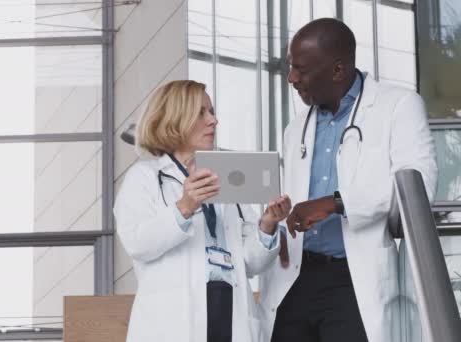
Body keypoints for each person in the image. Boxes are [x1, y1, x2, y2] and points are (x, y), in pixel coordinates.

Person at [256, 18, 438, 342]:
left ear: (338, 70)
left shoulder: (397, 106)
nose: (291, 78)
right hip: (296, 279)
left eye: (301, 69)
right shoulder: (295, 127)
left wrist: (335, 203)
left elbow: (417, 185)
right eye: (289, 67)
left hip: (352, 280)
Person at [114, 80, 291, 342]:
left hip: (229, 312)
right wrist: (184, 207)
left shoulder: (228, 177)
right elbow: (138, 243)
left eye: (212, 111)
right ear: (175, 119)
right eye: (201, 113)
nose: (213, 120)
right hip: (174, 321)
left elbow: (251, 263)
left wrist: (267, 225)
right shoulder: (145, 178)